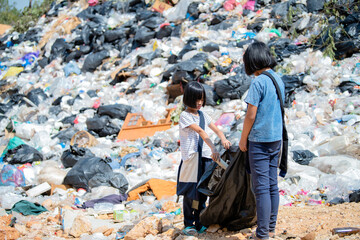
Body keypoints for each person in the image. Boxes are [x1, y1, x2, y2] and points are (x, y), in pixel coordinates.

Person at [239, 41, 285, 240]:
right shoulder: (277, 79)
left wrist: (243, 140)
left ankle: (262, 234)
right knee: (272, 184)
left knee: (261, 188)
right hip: (276, 139)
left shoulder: (258, 82)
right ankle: (271, 228)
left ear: (251, 61)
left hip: (259, 141)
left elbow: (251, 115)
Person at [177, 81, 231, 236]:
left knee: (201, 192)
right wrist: (214, 147)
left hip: (206, 158)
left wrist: (223, 138)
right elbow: (200, 131)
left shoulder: (203, 114)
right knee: (190, 192)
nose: (199, 103)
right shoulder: (185, 116)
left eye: (201, 99)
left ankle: (200, 221)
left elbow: (215, 128)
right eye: (196, 99)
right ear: (188, 99)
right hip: (192, 159)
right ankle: (189, 224)